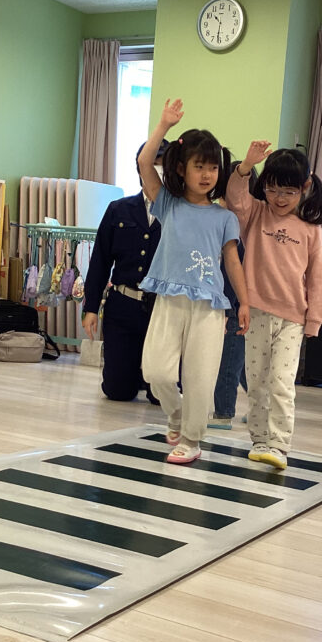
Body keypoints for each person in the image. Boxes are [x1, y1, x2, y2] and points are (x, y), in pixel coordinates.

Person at [137, 99, 249, 464]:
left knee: (200, 377)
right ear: (181, 169)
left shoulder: (224, 217)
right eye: (198, 166)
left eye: (213, 167)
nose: (206, 174)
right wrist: (163, 126)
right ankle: (176, 413)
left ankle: (191, 438)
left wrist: (244, 302)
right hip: (169, 298)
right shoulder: (167, 203)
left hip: (209, 306)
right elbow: (144, 163)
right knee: (155, 370)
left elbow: (232, 261)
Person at [228, 144, 322, 469]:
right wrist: (246, 166)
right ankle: (259, 439)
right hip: (256, 313)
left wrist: (314, 319)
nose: (279, 198)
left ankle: (279, 444)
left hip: (292, 319)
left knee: (282, 384)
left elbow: (317, 278)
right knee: (256, 381)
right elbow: (235, 199)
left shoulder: (311, 229)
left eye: (288, 191)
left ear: (305, 186)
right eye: (272, 189)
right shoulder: (256, 214)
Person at [81, 140, 167, 403]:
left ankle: (146, 375)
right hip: (123, 305)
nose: (158, 171)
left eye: (163, 166)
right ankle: (132, 373)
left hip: (163, 309)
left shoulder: (178, 213)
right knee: (118, 392)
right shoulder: (118, 209)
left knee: (160, 396)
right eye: (153, 164)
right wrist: (91, 308)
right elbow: (100, 260)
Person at [208, 160, 248, 430]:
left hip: (233, 303)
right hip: (226, 300)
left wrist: (231, 305)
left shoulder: (238, 226)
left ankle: (223, 412)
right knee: (241, 362)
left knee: (229, 360)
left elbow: (233, 268)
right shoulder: (221, 220)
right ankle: (260, 406)